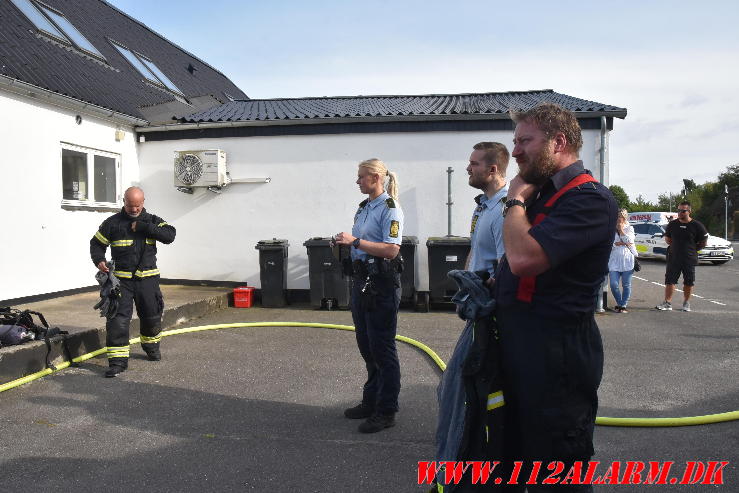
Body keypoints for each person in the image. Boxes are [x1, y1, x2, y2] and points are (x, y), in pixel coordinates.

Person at [494, 103, 617, 490]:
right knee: (520, 457)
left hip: (558, 357)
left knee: (558, 472)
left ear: (558, 142)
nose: (515, 152)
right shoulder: (542, 194)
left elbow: (523, 259)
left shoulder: (589, 199)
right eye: (515, 142)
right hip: (522, 350)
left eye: (525, 141)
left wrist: (514, 201)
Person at [334, 158, 404, 434]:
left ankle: (387, 410)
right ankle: (371, 400)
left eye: (362, 177)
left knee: (382, 348)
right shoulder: (364, 208)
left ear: (375, 178)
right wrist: (343, 245)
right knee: (366, 346)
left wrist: (356, 242)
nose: (357, 181)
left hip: (382, 285)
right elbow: (359, 246)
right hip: (361, 281)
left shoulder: (391, 209)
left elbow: (391, 250)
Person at [90, 186, 176, 377]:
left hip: (148, 281)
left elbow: (170, 235)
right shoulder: (112, 224)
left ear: (143, 202)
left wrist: (145, 227)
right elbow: (96, 243)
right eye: (130, 206)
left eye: (137, 206)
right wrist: (99, 260)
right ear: (124, 202)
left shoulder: (152, 221)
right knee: (117, 321)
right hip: (121, 283)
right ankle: (118, 363)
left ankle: (151, 348)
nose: (134, 210)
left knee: (151, 316)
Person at [466, 142, 510, 277]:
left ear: (492, 170)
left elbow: (505, 266)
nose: (468, 168)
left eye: (474, 164)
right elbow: (474, 251)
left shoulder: (504, 210)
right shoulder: (483, 205)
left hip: (488, 297)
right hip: (473, 295)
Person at [655, 200, 708, 312]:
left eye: (683, 211)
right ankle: (667, 303)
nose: (680, 213)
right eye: (678, 210)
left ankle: (686, 303)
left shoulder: (697, 225)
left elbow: (703, 242)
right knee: (670, 281)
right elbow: (668, 239)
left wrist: (692, 250)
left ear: (689, 211)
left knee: (689, 281)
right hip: (674, 258)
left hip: (689, 259)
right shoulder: (672, 224)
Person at [609, 208, 638, 313]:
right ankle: (620, 303)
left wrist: (621, 230)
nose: (617, 219)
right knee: (613, 284)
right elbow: (609, 244)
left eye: (620, 216)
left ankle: (623, 305)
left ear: (624, 217)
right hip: (614, 261)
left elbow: (629, 241)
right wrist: (618, 243)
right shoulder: (611, 228)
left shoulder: (630, 228)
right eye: (616, 216)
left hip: (627, 261)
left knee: (626, 285)